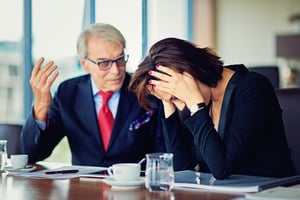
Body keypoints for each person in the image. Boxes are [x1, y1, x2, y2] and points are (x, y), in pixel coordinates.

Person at [128, 37, 296, 179]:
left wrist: (194, 101)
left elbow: (222, 168)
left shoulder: (253, 88)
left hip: (269, 193)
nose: (180, 103)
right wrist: (168, 102)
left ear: (189, 73)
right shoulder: (198, 101)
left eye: (175, 93)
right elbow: (181, 168)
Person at [20, 23, 165, 167]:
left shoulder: (145, 90)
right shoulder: (68, 92)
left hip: (135, 186)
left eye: (120, 59)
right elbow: (32, 155)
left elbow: (163, 156)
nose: (116, 70)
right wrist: (40, 106)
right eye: (104, 63)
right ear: (85, 64)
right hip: (84, 187)